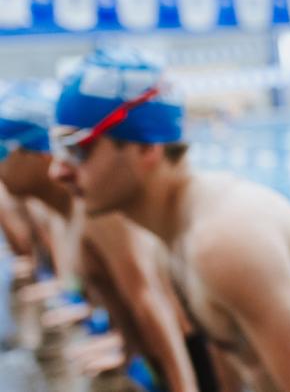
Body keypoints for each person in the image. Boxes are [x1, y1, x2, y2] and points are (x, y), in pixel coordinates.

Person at [50, 47, 290, 392]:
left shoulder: (224, 237)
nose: (58, 170)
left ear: (146, 148)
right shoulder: (169, 232)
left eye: (77, 149)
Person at [0, 81, 202, 391]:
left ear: (36, 154)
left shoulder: (97, 213)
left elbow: (154, 306)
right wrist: (122, 346)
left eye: (2, 152)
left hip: (182, 366)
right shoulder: (63, 210)